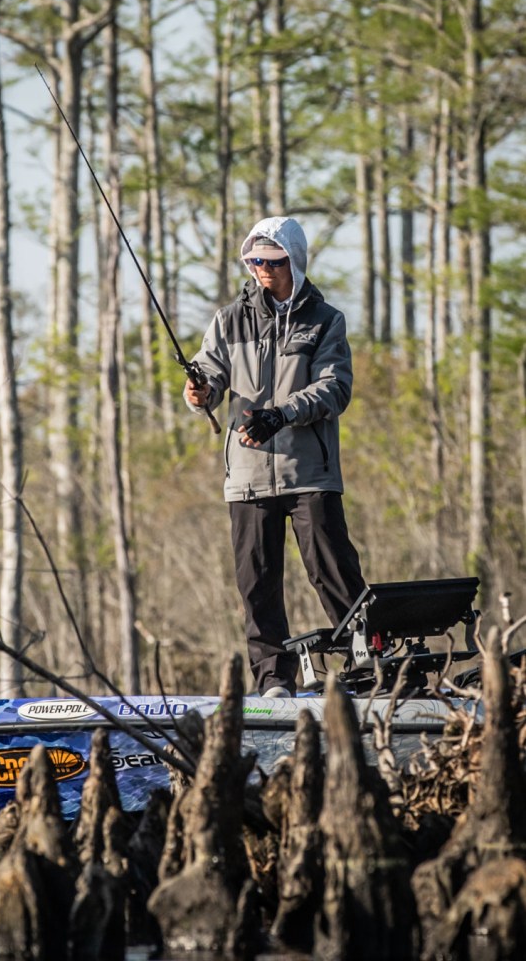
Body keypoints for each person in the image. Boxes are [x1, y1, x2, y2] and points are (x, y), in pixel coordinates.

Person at [184, 215, 366, 698]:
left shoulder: (326, 320)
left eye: (273, 260)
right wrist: (200, 393)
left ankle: (369, 667)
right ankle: (273, 681)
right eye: (254, 261)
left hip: (310, 473)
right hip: (246, 476)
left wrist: (281, 415)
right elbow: (209, 375)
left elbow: (335, 388)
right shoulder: (228, 320)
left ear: (294, 260)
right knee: (256, 584)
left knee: (335, 575)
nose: (262, 269)